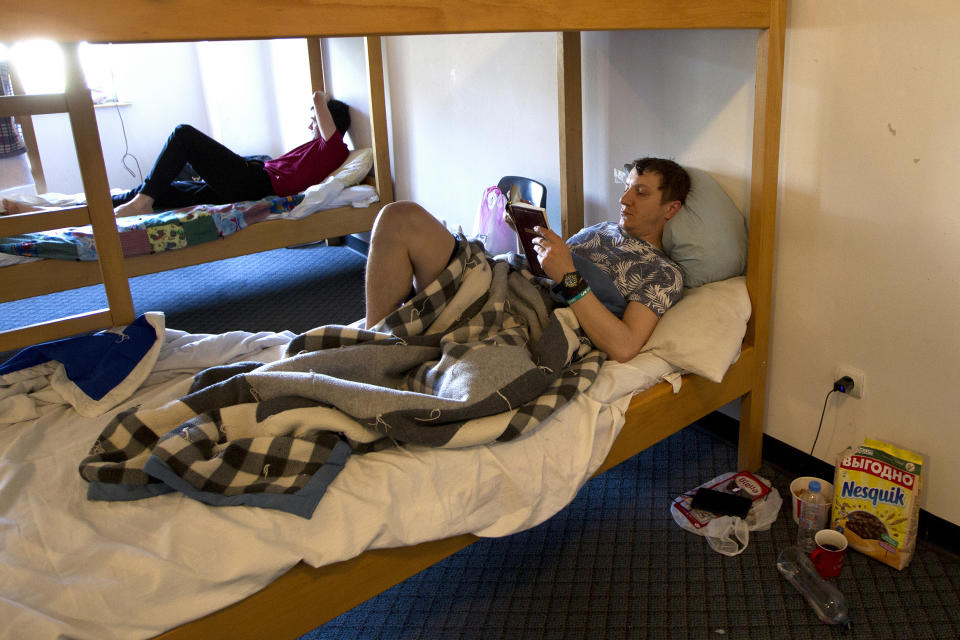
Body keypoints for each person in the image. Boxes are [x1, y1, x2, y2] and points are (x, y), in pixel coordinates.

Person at [363, 157, 690, 363]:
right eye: (628, 188)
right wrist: (527, 234)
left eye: (641, 193)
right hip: (500, 277)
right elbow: (547, 268)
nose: (623, 199)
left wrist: (569, 277)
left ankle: (380, 350)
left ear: (670, 209)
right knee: (399, 217)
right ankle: (370, 339)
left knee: (402, 218)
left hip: (522, 310)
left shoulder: (663, 272)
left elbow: (624, 345)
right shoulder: (597, 231)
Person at [111, 90, 351, 217]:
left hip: (255, 181)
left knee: (183, 134)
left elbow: (317, 97)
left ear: (330, 122)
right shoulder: (319, 148)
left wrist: (323, 102)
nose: (311, 126)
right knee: (169, 190)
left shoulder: (334, 148)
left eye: (314, 121)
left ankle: (143, 202)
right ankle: (100, 206)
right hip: (251, 176)